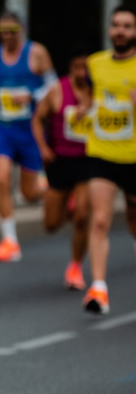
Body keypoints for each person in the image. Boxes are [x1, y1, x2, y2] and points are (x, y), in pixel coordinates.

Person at [0, 11, 56, 262]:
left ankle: (52, 190)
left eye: (11, 31)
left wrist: (31, 97)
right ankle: (9, 240)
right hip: (1, 126)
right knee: (2, 177)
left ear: (21, 30)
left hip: (29, 129)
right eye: (2, 32)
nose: (7, 37)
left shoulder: (37, 53)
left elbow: (53, 88)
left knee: (29, 193)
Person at [82, 6, 136, 315]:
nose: (120, 31)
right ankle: (99, 289)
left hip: (134, 155)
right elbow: (90, 97)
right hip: (102, 152)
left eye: (127, 26)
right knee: (99, 219)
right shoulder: (95, 64)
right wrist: (82, 109)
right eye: (116, 25)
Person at [31, 47, 93, 290]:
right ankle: (67, 203)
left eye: (86, 67)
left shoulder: (99, 92)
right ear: (70, 69)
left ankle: (75, 267)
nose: (82, 72)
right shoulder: (57, 90)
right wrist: (43, 148)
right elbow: (37, 119)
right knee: (50, 225)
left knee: (83, 216)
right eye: (77, 67)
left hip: (88, 161)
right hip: (60, 161)